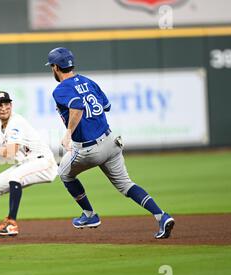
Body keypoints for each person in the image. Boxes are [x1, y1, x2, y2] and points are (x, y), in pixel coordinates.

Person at [45, 47, 175, 239]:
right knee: (126, 185)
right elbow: (106, 106)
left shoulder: (61, 89)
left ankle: (89, 215)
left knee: (64, 173)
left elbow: (78, 106)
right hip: (111, 142)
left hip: (89, 149)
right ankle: (162, 216)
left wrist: (68, 133)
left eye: (51, 67)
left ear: (56, 67)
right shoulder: (89, 82)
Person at [0, 91, 58, 237]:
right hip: (26, 163)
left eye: (6, 104)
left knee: (15, 176)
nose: (3, 108)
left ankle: (11, 224)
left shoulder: (16, 122)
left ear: (11, 105)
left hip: (43, 162)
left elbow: (10, 153)